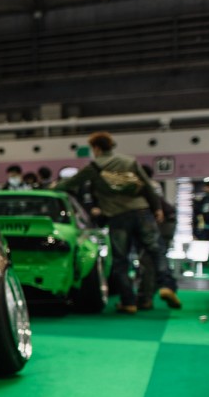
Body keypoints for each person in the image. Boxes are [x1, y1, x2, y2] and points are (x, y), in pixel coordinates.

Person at [54, 131, 181, 313]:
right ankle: (167, 286)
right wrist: (157, 209)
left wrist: (52, 187)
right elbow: (147, 185)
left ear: (96, 148)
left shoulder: (95, 167)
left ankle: (128, 302)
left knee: (121, 261)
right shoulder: (129, 161)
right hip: (141, 211)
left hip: (117, 217)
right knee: (156, 250)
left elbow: (71, 183)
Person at [136, 164, 177, 310]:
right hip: (168, 221)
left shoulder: (141, 186)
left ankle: (146, 298)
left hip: (156, 222)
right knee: (158, 257)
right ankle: (164, 289)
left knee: (148, 260)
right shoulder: (155, 185)